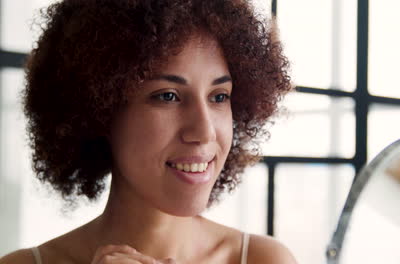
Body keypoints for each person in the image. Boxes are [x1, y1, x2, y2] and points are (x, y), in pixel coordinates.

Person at [0, 0, 295, 263]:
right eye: (168, 96)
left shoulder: (262, 259)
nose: (205, 132)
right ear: (100, 109)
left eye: (219, 96)